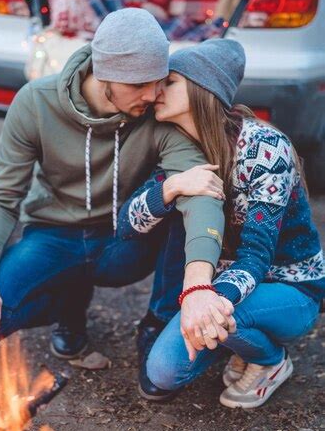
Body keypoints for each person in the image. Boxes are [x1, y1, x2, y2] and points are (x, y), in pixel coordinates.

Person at [0, 8, 230, 401]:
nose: (155, 95)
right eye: (141, 84)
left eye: (159, 81)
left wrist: (199, 285)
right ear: (105, 76)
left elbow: (201, 190)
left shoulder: (158, 114)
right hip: (52, 236)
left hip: (123, 241)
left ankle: (157, 327)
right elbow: (3, 196)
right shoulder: (35, 103)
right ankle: (66, 307)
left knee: (181, 207)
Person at [118, 38, 325, 408]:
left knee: (225, 316)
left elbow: (256, 258)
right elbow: (127, 226)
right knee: (162, 372)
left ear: (203, 88)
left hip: (290, 287)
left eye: (171, 82)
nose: (157, 91)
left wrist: (206, 300)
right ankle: (238, 337)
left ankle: (270, 361)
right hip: (218, 292)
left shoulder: (264, 148)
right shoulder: (178, 148)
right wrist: (171, 188)